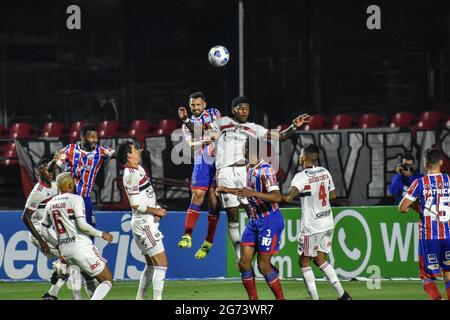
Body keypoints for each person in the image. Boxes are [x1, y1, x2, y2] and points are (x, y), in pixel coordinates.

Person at [181, 95, 308, 261]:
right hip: (224, 173)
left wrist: (293, 126)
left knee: (254, 214)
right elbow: (201, 131)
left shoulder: (252, 127)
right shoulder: (222, 122)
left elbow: (279, 136)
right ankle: (241, 259)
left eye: (246, 108)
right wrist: (185, 119)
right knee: (233, 217)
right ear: (234, 109)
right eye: (241, 108)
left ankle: (262, 251)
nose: (244, 111)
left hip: (243, 172)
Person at [49, 123, 115, 296]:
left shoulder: (100, 151)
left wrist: (128, 153)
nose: (94, 140)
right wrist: (57, 161)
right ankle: (62, 265)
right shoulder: (70, 149)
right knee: (77, 238)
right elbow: (57, 162)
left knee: (86, 241)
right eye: (91, 137)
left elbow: (115, 154)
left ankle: (62, 271)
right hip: (68, 199)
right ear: (82, 137)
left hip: (85, 200)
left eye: (96, 136)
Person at [281, 144, 351, 300]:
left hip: (312, 226)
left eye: (300, 154)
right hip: (327, 222)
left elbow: (287, 198)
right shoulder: (325, 172)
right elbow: (332, 195)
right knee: (320, 260)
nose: (299, 157)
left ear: (304, 157)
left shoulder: (301, 177)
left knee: (304, 262)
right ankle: (344, 295)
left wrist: (269, 196)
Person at [217, 140, 285, 300]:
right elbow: (246, 191)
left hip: (270, 220)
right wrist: (227, 190)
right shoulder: (249, 169)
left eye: (243, 147)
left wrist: (253, 194)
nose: (241, 149)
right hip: (255, 221)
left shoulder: (266, 170)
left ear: (248, 149)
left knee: (263, 266)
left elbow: (277, 196)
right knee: (243, 264)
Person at [40, 172, 114, 300]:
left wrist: (58, 244)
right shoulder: (76, 199)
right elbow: (82, 225)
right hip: (81, 246)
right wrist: (102, 234)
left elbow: (44, 230)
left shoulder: (50, 203)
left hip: (65, 251)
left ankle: (52, 294)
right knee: (107, 279)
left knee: (88, 276)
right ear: (70, 184)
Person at [117, 141, 168, 300]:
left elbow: (146, 195)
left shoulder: (138, 169)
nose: (139, 150)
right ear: (129, 155)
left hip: (146, 221)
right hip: (144, 224)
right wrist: (156, 210)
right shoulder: (130, 174)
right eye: (135, 149)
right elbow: (135, 203)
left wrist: (155, 207)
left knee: (152, 265)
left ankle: (140, 298)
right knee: (162, 263)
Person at [398, 148, 450, 300]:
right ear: (441, 162)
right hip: (448, 236)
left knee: (426, 277)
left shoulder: (419, 183)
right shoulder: (448, 180)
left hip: (429, 237)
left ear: (425, 164)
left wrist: (420, 206)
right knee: (448, 273)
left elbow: (402, 207)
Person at [177, 92, 221, 259]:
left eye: (198, 105)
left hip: (218, 162)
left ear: (204, 104)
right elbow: (191, 144)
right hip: (201, 161)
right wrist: (202, 140)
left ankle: (208, 242)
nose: (195, 108)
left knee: (214, 202)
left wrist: (203, 135)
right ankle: (187, 235)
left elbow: (215, 133)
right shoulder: (185, 124)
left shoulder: (214, 113)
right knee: (197, 195)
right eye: (192, 105)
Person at [22, 159, 71, 300]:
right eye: (46, 171)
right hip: (40, 233)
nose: (50, 173)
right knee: (69, 256)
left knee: (69, 258)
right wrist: (41, 241)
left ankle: (52, 291)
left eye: (51, 170)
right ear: (39, 173)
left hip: (50, 231)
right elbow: (25, 217)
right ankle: (54, 283)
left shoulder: (55, 186)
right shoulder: (38, 192)